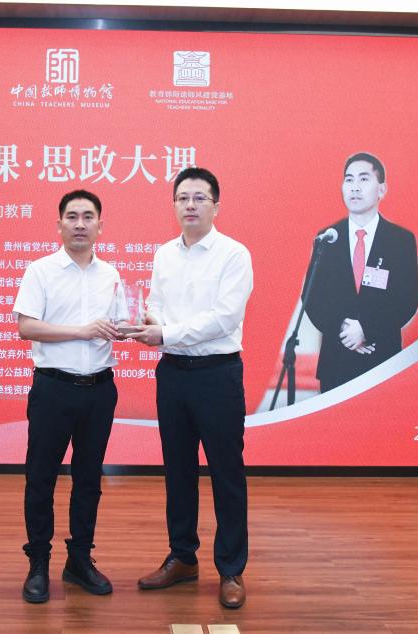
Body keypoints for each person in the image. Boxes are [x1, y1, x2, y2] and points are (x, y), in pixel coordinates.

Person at [127, 167, 253, 609]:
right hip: (173, 374)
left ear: (216, 205)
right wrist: (150, 322)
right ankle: (182, 557)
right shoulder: (165, 254)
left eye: (200, 198)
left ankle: (231, 569)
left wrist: (166, 332)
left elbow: (224, 318)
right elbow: (156, 303)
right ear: (174, 205)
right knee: (177, 470)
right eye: (182, 198)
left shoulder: (234, 254)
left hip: (217, 374)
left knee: (226, 473)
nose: (190, 205)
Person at [13, 189, 126, 604]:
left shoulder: (111, 274)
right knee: (41, 477)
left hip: (99, 390)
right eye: (73, 217)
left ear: (100, 226)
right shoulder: (41, 271)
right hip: (53, 389)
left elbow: (116, 325)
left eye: (88, 217)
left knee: (89, 479)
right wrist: (82, 330)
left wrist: (135, 327)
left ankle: (79, 559)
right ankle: (38, 562)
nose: (80, 224)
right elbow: (27, 327)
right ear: (59, 224)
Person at [304, 151, 418, 393]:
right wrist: (345, 332)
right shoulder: (328, 238)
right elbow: (312, 298)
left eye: (364, 179)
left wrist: (366, 330)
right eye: (349, 179)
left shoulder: (400, 240)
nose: (355, 187)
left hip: (382, 360)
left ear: (381, 189)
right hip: (336, 360)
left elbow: (407, 300)